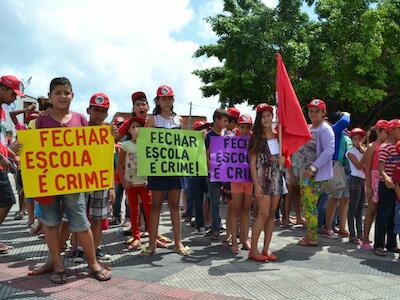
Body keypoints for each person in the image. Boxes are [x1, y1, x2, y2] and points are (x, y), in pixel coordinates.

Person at [27, 77, 111, 283]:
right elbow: (30, 148)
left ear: (72, 95)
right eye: (58, 93)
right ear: (50, 97)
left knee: (81, 223)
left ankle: (92, 263)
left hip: (75, 184)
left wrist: (111, 138)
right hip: (47, 185)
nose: (63, 96)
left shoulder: (81, 119)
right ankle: (57, 265)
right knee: (51, 223)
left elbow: (94, 150)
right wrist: (22, 147)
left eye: (66, 92)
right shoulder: (40, 121)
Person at [142, 85, 189, 256]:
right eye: (163, 98)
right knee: (155, 206)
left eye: (169, 98)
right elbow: (146, 145)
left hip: (175, 168)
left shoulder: (180, 120)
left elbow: (184, 144)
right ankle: (152, 244)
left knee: (174, 206)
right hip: (157, 170)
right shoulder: (152, 120)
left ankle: (178, 243)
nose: (167, 101)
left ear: (173, 100)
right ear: (158, 101)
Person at [248, 104, 286, 262]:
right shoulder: (255, 137)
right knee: (263, 214)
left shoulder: (279, 136)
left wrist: (283, 160)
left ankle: (265, 248)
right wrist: (256, 184)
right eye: (263, 116)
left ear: (273, 117)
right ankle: (253, 249)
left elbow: (282, 159)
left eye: (269, 115)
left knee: (271, 215)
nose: (266, 119)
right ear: (259, 119)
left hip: (277, 178)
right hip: (262, 179)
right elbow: (252, 162)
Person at [297, 99, 335, 246]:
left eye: (317, 111)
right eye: (311, 111)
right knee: (307, 204)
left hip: (314, 175)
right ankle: (311, 234)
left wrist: (313, 168)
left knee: (309, 205)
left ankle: (312, 237)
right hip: (306, 173)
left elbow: (329, 151)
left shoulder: (325, 129)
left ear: (323, 112)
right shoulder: (309, 127)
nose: (313, 114)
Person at [85, 92, 116, 261]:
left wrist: (111, 186)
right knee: (78, 218)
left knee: (97, 218)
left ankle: (95, 249)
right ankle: (78, 249)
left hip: (100, 181)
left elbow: (109, 162)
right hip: (80, 182)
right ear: (88, 110)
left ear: (107, 113)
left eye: (102, 111)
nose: (98, 113)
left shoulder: (107, 133)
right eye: (95, 109)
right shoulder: (79, 128)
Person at [118, 116, 151, 250]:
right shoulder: (125, 145)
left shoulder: (148, 144)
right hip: (131, 184)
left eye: (139, 127)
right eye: (133, 127)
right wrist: (124, 181)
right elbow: (119, 165)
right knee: (133, 211)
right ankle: (136, 237)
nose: (136, 129)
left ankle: (153, 235)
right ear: (129, 131)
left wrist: (150, 180)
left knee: (149, 209)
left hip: (145, 184)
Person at [0, 75, 24, 254]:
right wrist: (2, 158)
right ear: (2, 89)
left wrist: (9, 153)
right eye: (13, 93)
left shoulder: (1, 111)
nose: (15, 98)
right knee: (8, 201)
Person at [374, 119, 400, 257]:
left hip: (396, 185)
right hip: (386, 185)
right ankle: (378, 245)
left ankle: (392, 244)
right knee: (383, 215)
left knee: (393, 216)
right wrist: (386, 177)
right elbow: (381, 166)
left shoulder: (398, 146)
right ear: (392, 130)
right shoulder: (386, 147)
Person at [362, 120, 388, 250]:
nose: (388, 135)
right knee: (371, 211)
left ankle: (380, 239)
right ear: (378, 131)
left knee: (381, 211)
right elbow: (366, 168)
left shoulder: (388, 146)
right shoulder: (372, 146)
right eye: (386, 132)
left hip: (383, 180)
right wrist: (368, 186)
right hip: (373, 179)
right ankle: (365, 238)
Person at [324, 111, 351, 238]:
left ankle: (341, 227)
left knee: (345, 199)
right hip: (336, 167)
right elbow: (346, 121)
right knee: (334, 199)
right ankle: (328, 227)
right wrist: (347, 114)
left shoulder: (341, 132)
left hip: (344, 167)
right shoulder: (334, 129)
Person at [204, 109, 229, 240]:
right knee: (214, 201)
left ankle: (219, 225)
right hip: (213, 173)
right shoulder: (209, 136)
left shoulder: (226, 136)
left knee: (225, 201)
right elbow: (207, 154)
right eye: (224, 120)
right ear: (216, 120)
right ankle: (215, 228)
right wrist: (211, 167)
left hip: (224, 173)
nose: (226, 123)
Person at [230, 114, 253, 254]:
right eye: (242, 127)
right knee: (235, 210)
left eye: (247, 127)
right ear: (238, 126)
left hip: (249, 180)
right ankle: (234, 240)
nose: (245, 130)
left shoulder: (254, 141)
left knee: (246, 210)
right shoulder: (232, 140)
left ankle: (245, 239)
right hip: (236, 180)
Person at [187, 121, 209, 234]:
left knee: (211, 198)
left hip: (208, 174)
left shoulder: (210, 141)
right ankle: (200, 224)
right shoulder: (190, 144)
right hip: (195, 174)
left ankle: (210, 222)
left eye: (205, 128)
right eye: (201, 128)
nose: (204, 130)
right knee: (198, 201)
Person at [346, 128, 366, 244]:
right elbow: (358, 166)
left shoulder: (362, 151)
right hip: (355, 180)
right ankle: (352, 234)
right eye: (355, 139)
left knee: (360, 209)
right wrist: (366, 153)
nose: (357, 141)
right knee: (353, 208)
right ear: (351, 140)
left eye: (359, 139)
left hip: (362, 180)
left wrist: (365, 152)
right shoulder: (350, 151)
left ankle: (360, 234)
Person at [111, 116, 128, 226]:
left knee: (129, 199)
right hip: (116, 175)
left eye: (122, 124)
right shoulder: (109, 139)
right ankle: (116, 217)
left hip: (128, 173)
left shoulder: (128, 139)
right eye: (117, 125)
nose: (119, 127)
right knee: (116, 197)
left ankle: (128, 219)